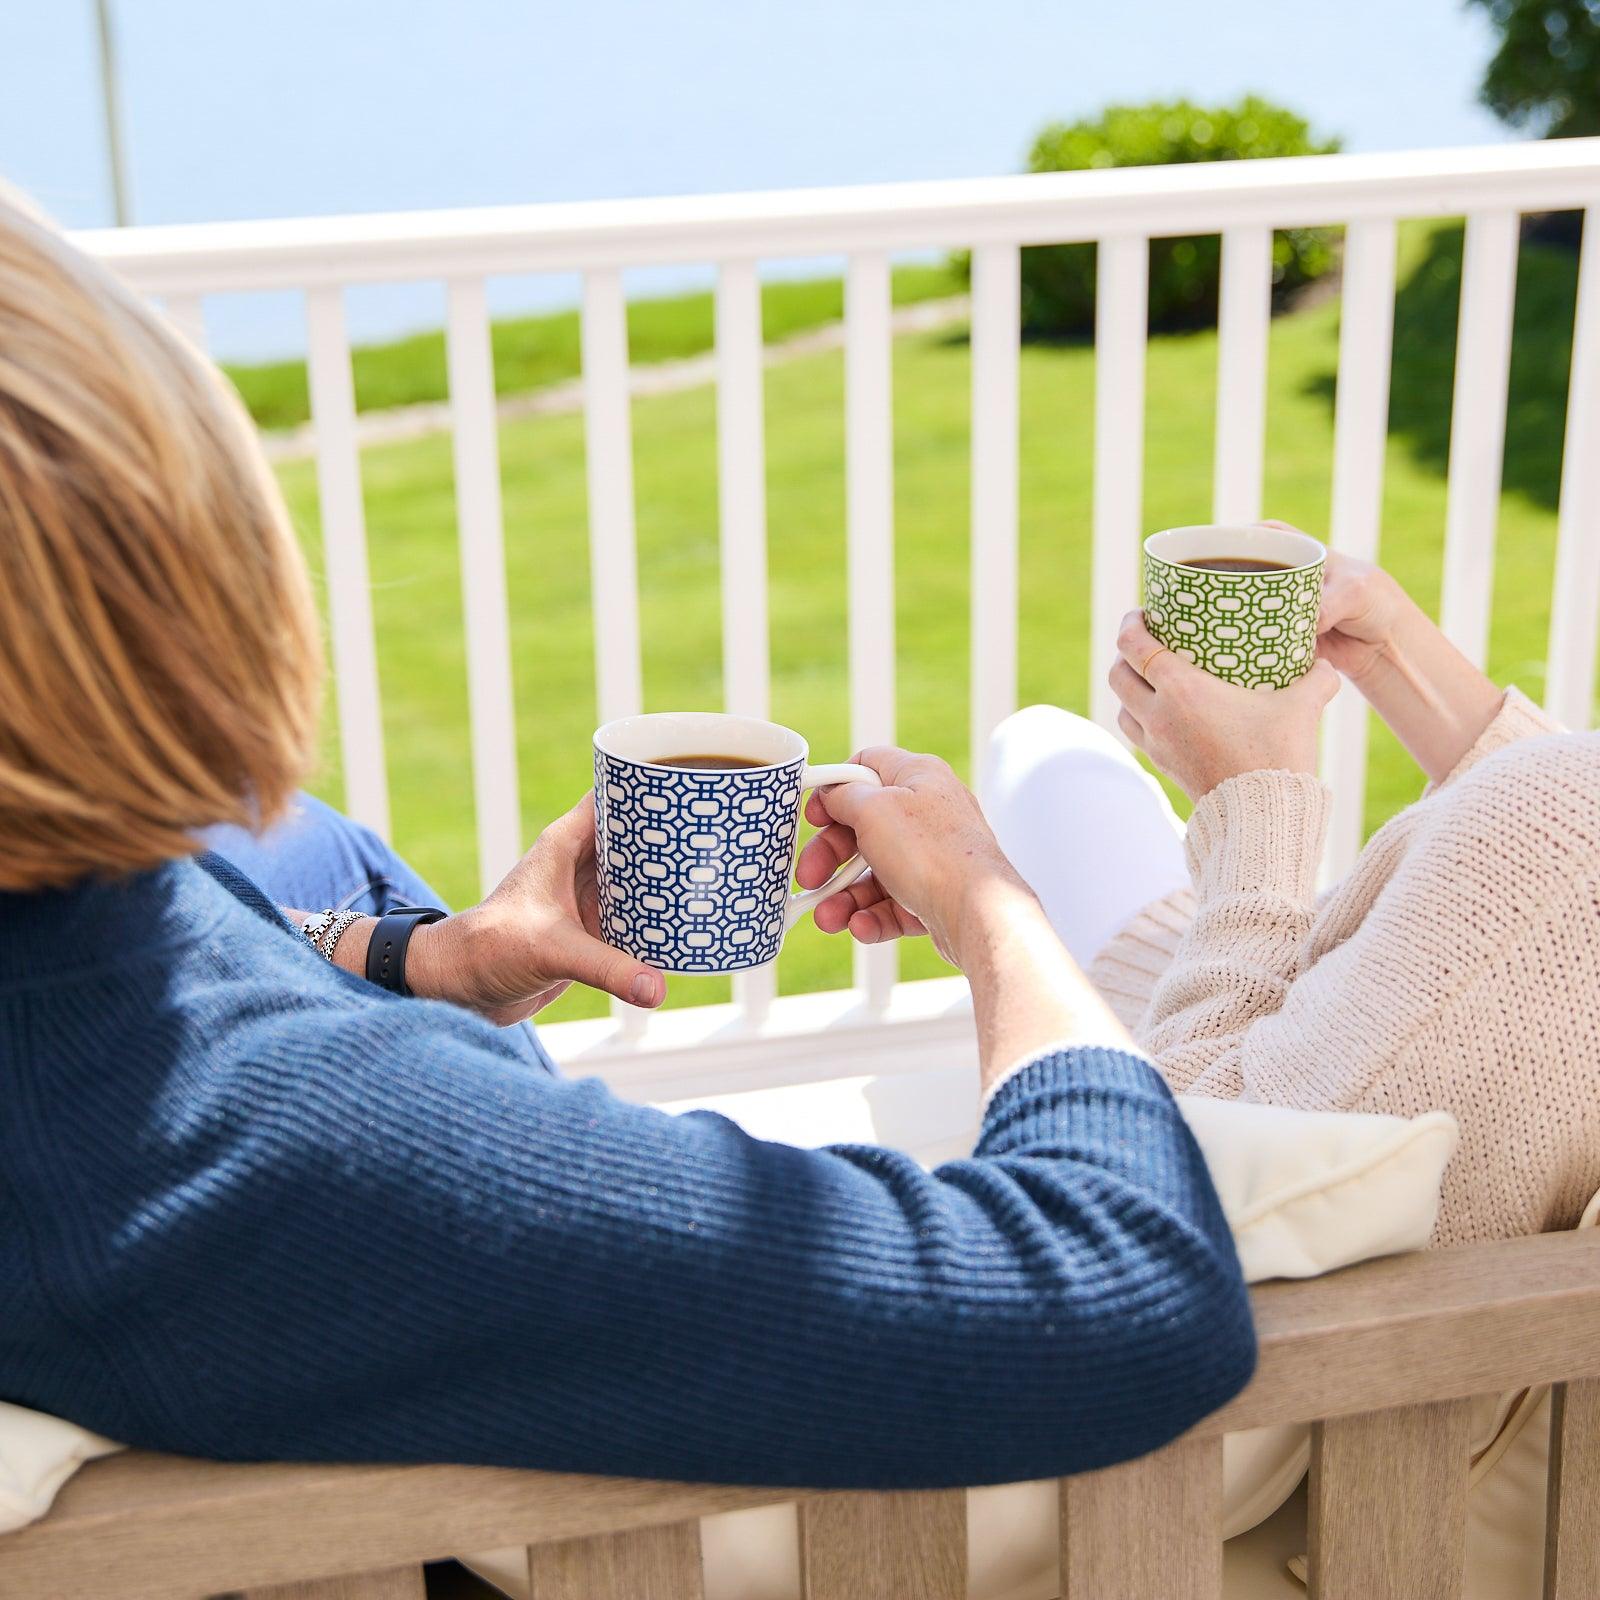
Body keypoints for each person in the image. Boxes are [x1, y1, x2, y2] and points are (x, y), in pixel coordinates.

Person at [0, 192, 1255, 1488]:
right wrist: (995, 913)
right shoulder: (296, 1134)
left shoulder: (97, 956)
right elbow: (1123, 1288)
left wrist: (420, 963)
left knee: (316, 850)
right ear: (197, 579)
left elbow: (198, 934)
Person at [923, 538, 1599, 1250]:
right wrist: (1388, 656)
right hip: (1300, 996)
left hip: (1207, 1047)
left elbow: (1171, 1175)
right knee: (1044, 750)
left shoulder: (1548, 856)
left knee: (1039, 752)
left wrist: (974, 909)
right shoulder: (1555, 849)